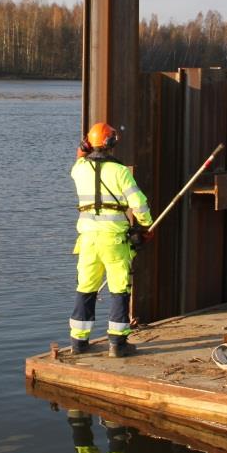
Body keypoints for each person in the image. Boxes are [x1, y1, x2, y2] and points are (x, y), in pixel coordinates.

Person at [69, 122, 153, 357]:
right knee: (119, 288)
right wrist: (146, 226)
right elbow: (139, 204)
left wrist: (83, 144)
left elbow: (79, 156)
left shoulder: (79, 170)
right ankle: (118, 343)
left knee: (85, 287)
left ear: (89, 144)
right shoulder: (120, 172)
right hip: (114, 240)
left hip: (87, 239)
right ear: (112, 144)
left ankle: (78, 342)